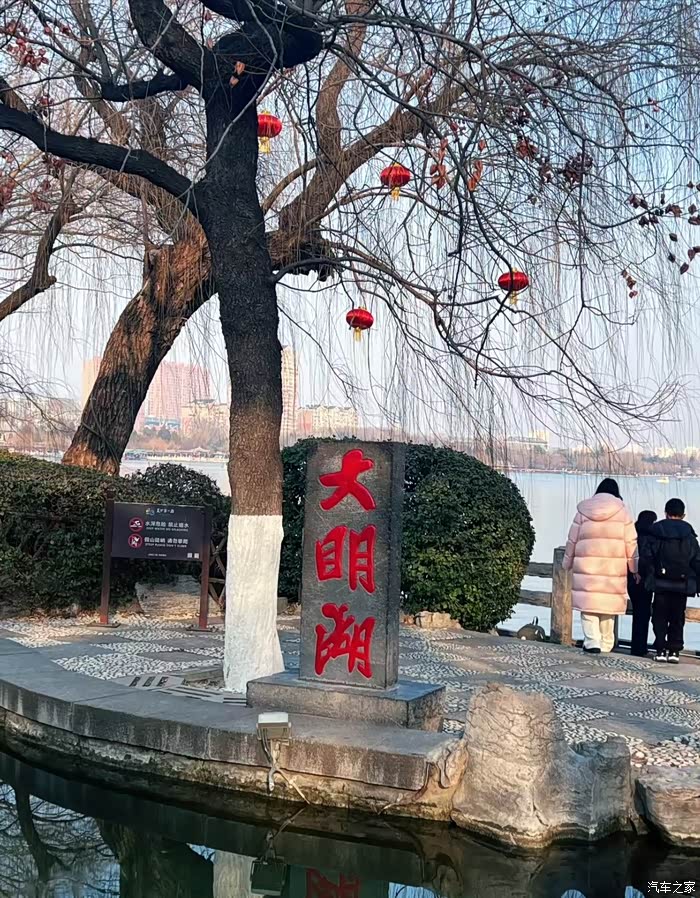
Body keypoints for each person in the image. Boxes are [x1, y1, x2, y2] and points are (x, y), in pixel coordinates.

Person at [562, 478, 638, 654]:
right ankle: (606, 642)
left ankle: (592, 641)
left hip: (587, 567)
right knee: (607, 607)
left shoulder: (583, 511)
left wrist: (567, 562)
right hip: (612, 568)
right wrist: (634, 567)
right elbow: (631, 542)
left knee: (588, 605)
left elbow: (572, 539)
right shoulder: (622, 511)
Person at [640, 497, 700, 663]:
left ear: (666, 513)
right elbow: (696, 560)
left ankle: (660, 649)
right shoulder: (689, 536)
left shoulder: (656, 531)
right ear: (683, 515)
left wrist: (649, 575)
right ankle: (674, 651)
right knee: (677, 617)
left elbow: (647, 556)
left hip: (660, 583)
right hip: (682, 584)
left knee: (659, 616)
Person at [627, 510, 657, 656]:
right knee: (643, 614)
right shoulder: (651, 537)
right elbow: (648, 559)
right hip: (645, 580)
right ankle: (640, 647)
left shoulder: (632, 535)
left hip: (631, 579)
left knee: (637, 613)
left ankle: (636, 646)